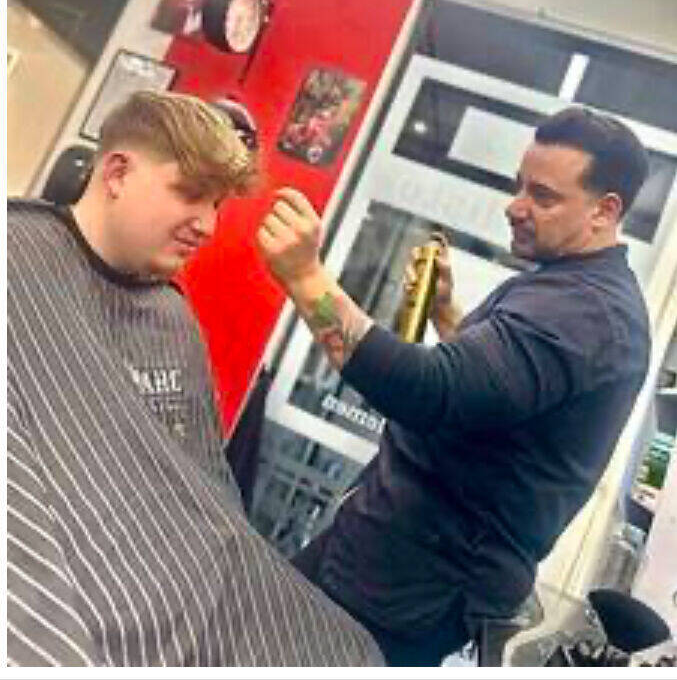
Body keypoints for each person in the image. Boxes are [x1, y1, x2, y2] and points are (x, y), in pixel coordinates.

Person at [256, 106, 651, 666]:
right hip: (383, 553)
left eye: (542, 196)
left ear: (605, 210)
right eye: (519, 185)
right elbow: (496, 393)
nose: (515, 206)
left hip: (407, 591)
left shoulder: (590, 313)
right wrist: (446, 315)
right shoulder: (566, 287)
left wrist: (305, 278)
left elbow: (431, 392)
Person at [6, 90, 383, 668]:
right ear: (117, 172)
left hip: (191, 580)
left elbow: (208, 486)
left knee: (348, 652)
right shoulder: (17, 261)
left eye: (218, 204)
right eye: (190, 193)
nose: (207, 225)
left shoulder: (170, 317)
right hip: (85, 598)